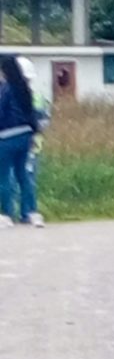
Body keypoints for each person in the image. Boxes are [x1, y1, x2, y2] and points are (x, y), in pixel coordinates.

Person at [0, 55, 42, 229]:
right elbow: (32, 115)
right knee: (23, 175)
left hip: (6, 137)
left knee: (3, 177)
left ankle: (6, 215)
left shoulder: (4, 89)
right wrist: (33, 134)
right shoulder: (24, 89)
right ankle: (31, 213)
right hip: (25, 135)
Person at [16, 57, 50, 214]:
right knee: (22, 180)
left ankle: (25, 213)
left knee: (24, 179)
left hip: (31, 146)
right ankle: (21, 213)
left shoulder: (37, 99)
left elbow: (44, 123)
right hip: (26, 145)